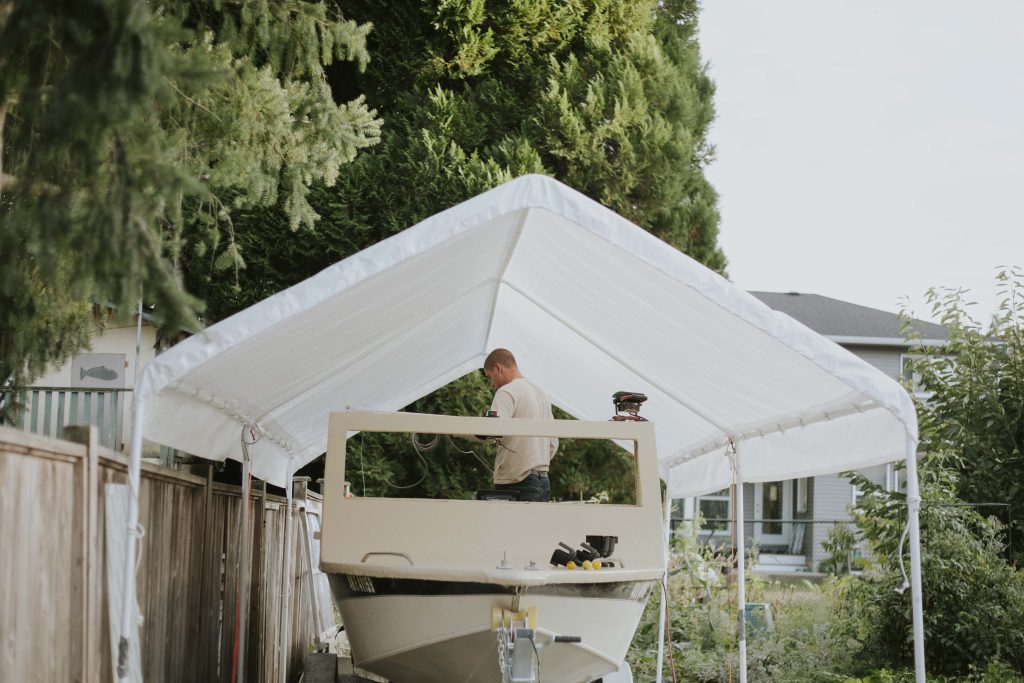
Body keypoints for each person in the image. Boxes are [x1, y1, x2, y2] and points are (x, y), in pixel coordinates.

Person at [482, 348, 558, 502]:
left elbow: (493, 432)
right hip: (542, 479)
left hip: (516, 481)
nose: (491, 384)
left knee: (509, 526)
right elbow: (553, 442)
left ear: (498, 368)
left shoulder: (506, 392)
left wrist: (473, 434)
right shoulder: (541, 394)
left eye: (490, 376)